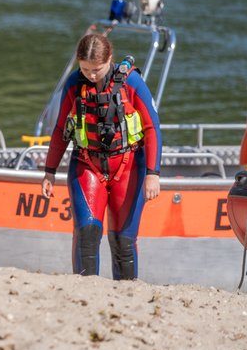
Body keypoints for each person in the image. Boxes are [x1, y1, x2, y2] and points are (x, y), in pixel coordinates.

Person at [41, 33, 161, 280]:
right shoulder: (74, 84)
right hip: (87, 164)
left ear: (110, 60)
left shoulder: (132, 82)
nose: (91, 75)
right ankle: (85, 293)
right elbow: (60, 130)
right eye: (85, 69)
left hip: (128, 166)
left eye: (97, 69)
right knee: (86, 234)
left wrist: (153, 174)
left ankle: (127, 294)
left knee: (123, 240)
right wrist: (49, 172)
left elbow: (152, 129)